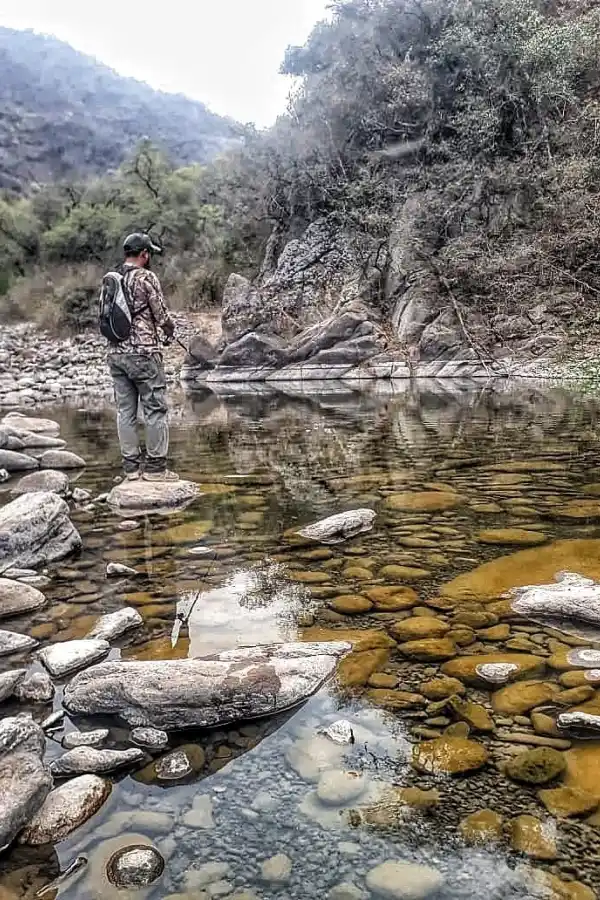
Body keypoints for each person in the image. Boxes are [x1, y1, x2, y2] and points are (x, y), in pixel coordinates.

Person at [107, 232, 178, 482]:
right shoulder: (146, 277)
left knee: (125, 411)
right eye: (149, 254)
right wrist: (170, 331)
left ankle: (130, 469)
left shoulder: (111, 279)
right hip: (145, 353)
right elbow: (161, 314)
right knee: (155, 409)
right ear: (144, 254)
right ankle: (156, 469)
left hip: (116, 355)